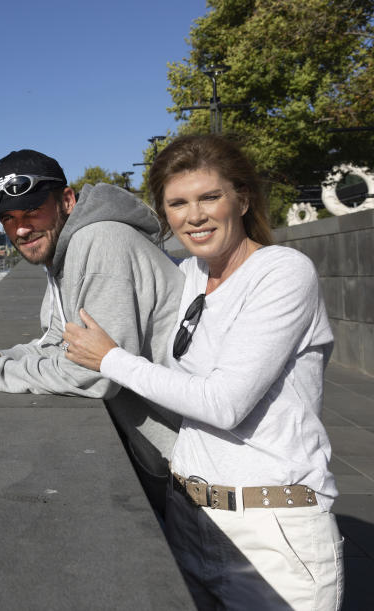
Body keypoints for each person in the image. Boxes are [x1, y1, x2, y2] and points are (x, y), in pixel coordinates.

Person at [62, 134, 343, 610]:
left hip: (271, 534)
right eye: (178, 203)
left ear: (242, 198)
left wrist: (111, 359)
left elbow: (224, 403)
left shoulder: (282, 272)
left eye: (209, 197)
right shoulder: (191, 275)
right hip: (190, 520)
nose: (194, 215)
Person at [0, 149, 184, 514]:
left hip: (198, 471)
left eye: (33, 211)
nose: (21, 229)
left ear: (67, 200)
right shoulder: (64, 253)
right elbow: (57, 342)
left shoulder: (100, 243)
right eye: (9, 218)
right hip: (168, 465)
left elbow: (96, 374)